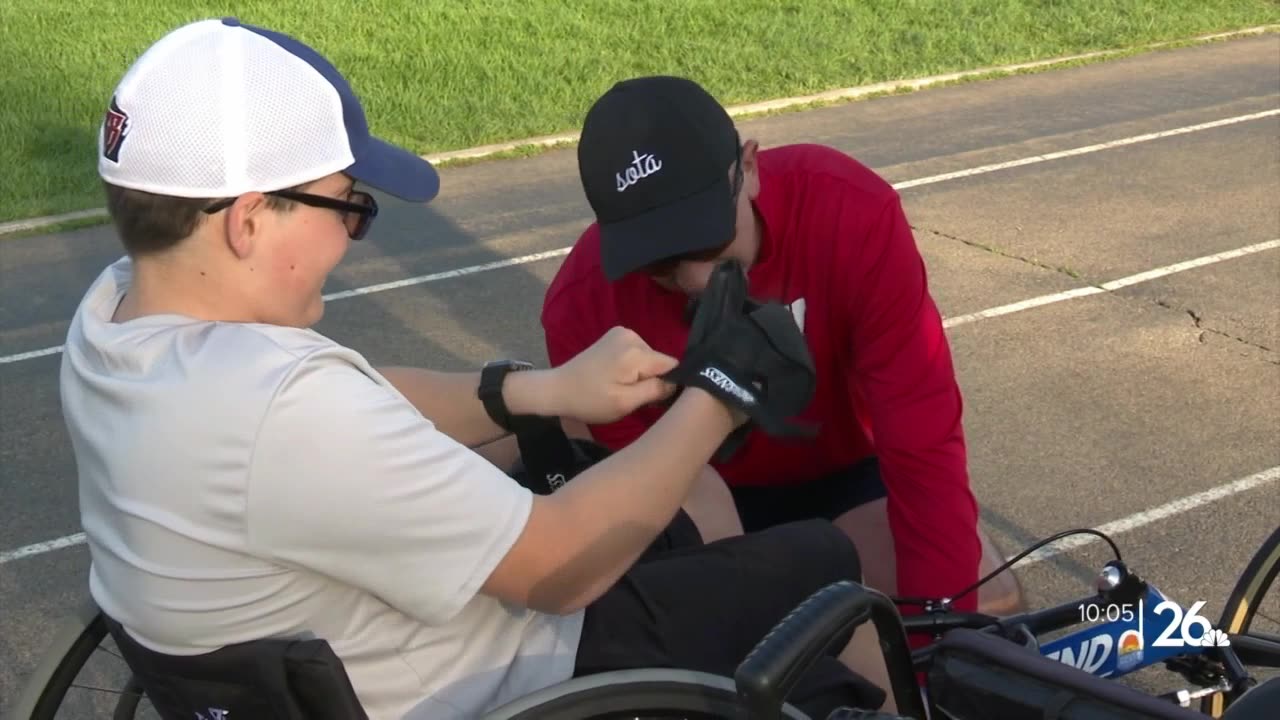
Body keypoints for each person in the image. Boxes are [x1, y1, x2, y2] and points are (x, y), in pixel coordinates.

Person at [58, 19, 894, 720]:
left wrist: (536, 390)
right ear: (248, 221)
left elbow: (355, 393)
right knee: (817, 564)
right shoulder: (281, 411)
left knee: (694, 499)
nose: (354, 235)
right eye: (350, 204)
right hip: (520, 677)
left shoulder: (115, 323)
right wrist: (721, 393)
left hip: (341, 661)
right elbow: (561, 569)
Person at [541, 75, 1027, 620]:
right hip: (691, 491)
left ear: (747, 169)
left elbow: (921, 439)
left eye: (708, 239)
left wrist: (939, 635)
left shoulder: (849, 212)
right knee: (776, 640)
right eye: (660, 265)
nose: (699, 280)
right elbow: (642, 504)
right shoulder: (580, 305)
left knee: (985, 605)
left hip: (845, 474)